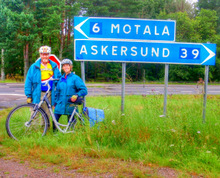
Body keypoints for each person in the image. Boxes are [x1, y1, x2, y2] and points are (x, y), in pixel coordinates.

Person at [24, 45, 61, 116]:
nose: (45, 56)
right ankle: (34, 127)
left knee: (47, 114)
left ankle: (45, 127)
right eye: (43, 54)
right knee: (34, 113)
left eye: (46, 54)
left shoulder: (53, 66)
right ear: (40, 55)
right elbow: (28, 82)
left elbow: (59, 80)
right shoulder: (34, 67)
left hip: (49, 94)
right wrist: (28, 95)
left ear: (49, 55)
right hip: (37, 93)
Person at [53, 59, 87, 131]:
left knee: (71, 126)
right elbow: (57, 92)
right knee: (54, 121)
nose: (66, 67)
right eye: (64, 66)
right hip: (60, 104)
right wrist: (55, 102)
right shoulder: (61, 79)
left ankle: (71, 135)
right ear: (62, 68)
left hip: (71, 104)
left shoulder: (75, 78)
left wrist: (77, 95)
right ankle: (54, 135)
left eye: (67, 65)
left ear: (70, 67)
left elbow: (84, 90)